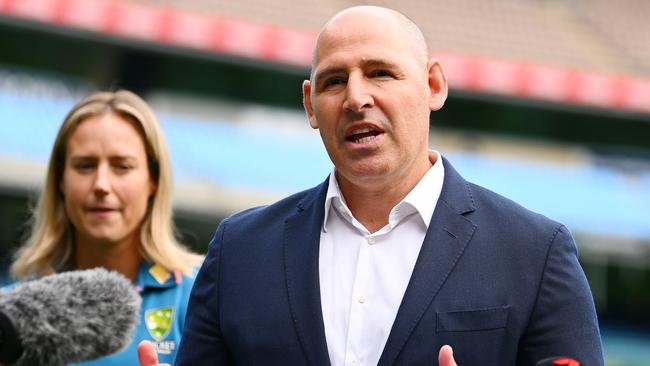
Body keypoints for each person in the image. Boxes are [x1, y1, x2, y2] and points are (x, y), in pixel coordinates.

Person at [140, 5, 603, 366]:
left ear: (433, 85)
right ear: (309, 104)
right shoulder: (240, 251)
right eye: (334, 81)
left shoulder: (535, 254)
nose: (356, 97)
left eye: (381, 72)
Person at [10, 90, 204, 365]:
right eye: (85, 166)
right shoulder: (14, 313)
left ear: (153, 180)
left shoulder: (202, 297)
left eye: (122, 166)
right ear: (60, 180)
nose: (101, 184)